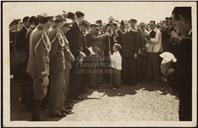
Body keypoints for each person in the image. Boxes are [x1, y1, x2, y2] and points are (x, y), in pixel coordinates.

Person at [26, 14, 52, 121]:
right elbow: (40, 56)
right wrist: (44, 74)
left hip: (34, 67)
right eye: (51, 21)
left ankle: (36, 117)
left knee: (38, 93)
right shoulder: (40, 33)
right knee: (39, 94)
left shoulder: (36, 31)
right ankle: (36, 119)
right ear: (47, 21)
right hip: (38, 69)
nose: (51, 23)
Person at [48, 15, 70, 117]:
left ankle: (60, 107)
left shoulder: (57, 31)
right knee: (56, 88)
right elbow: (52, 50)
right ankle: (54, 109)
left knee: (61, 87)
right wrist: (51, 63)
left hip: (60, 64)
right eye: (62, 22)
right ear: (60, 22)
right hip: (56, 64)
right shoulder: (54, 32)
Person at [172, 7, 192, 121]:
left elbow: (181, 83)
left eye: (175, 24)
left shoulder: (187, 43)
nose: (176, 28)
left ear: (182, 19)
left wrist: (168, 71)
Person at [15, 16, 31, 109]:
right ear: (25, 22)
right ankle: (25, 100)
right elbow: (18, 45)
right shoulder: (22, 32)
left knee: (26, 81)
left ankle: (25, 99)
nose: (29, 23)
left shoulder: (26, 31)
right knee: (25, 81)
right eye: (28, 21)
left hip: (25, 59)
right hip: (23, 60)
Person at [61, 21, 75, 108]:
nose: (69, 29)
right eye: (67, 27)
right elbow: (65, 49)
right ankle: (61, 105)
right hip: (64, 62)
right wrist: (71, 57)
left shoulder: (63, 35)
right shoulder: (60, 34)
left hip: (65, 62)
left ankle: (63, 104)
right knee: (62, 86)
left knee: (64, 85)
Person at [122, 19, 138, 86]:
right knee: (126, 68)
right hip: (125, 53)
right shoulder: (124, 33)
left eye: (127, 24)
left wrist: (136, 52)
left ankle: (132, 82)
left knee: (132, 68)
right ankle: (126, 81)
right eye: (125, 24)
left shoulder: (134, 32)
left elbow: (136, 43)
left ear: (130, 24)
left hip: (132, 53)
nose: (126, 25)